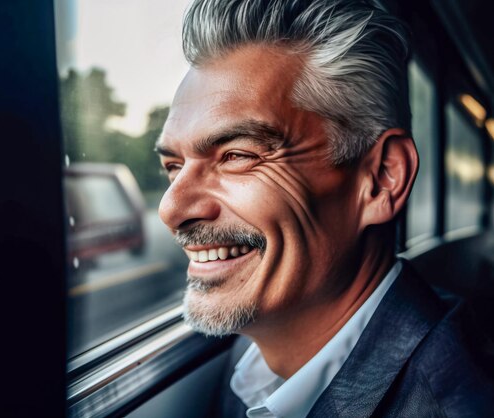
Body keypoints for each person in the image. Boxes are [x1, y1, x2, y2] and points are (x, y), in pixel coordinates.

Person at [155, 0, 494, 416]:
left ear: (383, 178)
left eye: (237, 155)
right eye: (173, 166)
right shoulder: (253, 357)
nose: (171, 209)